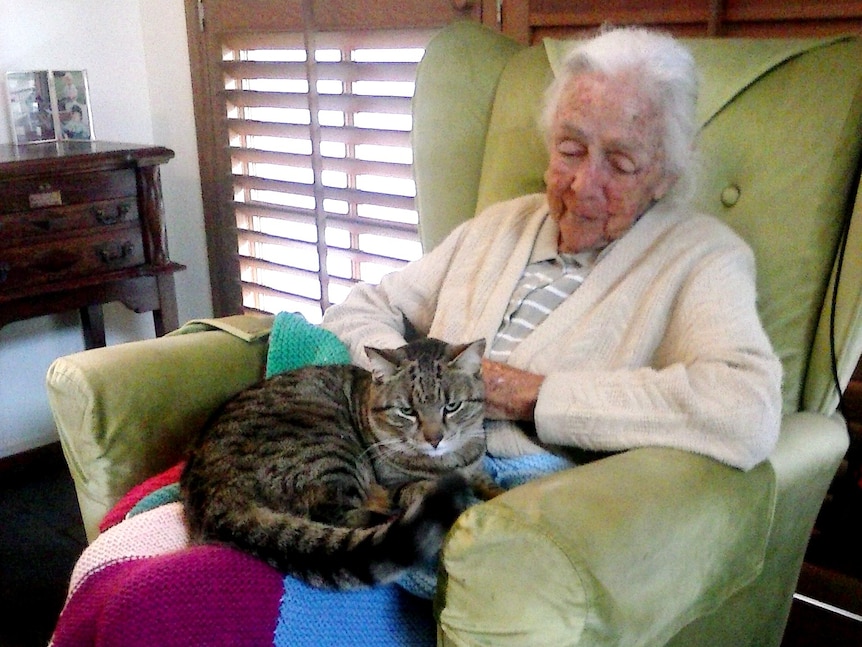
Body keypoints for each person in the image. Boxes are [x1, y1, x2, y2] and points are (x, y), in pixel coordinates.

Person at [323, 25, 783, 472]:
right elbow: (357, 311)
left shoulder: (702, 256)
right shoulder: (502, 224)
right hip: (402, 467)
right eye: (570, 149)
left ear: (666, 177)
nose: (584, 185)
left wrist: (536, 396)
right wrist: (402, 383)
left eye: (621, 164)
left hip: (527, 504)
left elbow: (746, 410)